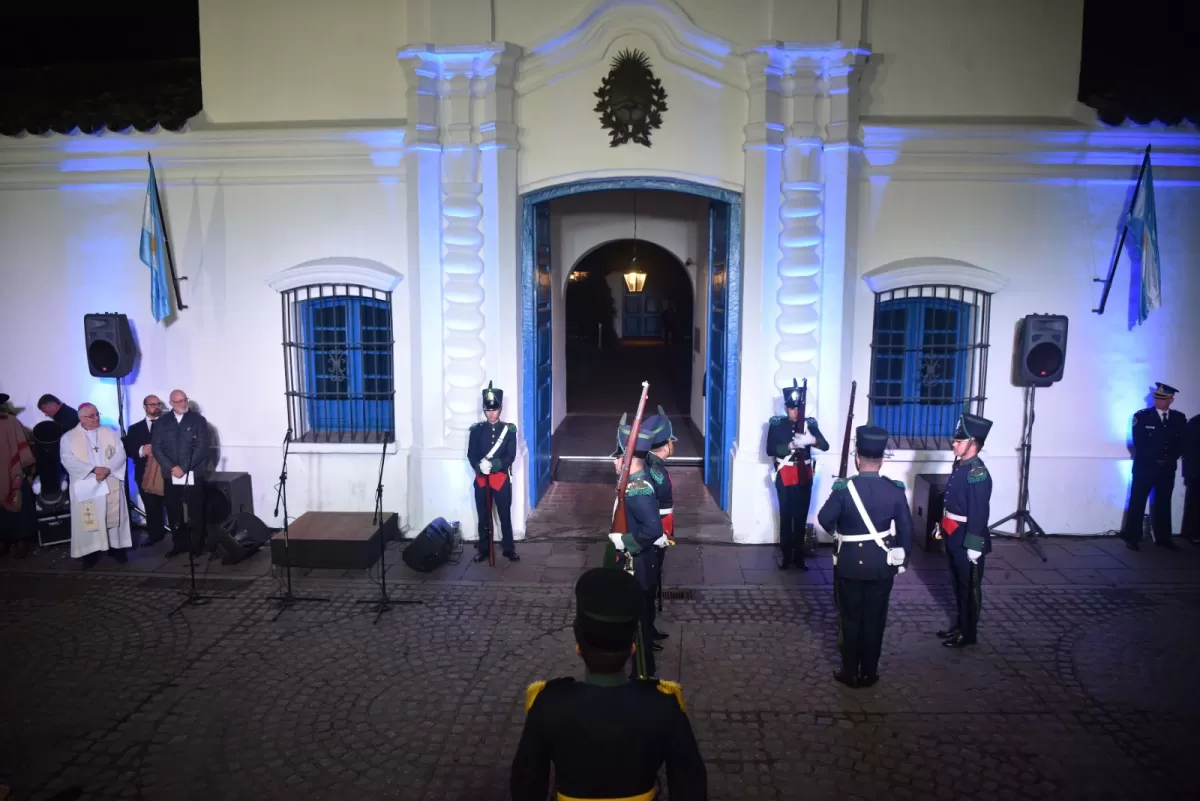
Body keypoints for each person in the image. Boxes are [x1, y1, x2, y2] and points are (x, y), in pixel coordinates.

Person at [510, 567, 707, 801]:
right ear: (633, 647)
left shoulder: (547, 705)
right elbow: (690, 786)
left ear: (578, 648)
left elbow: (526, 785)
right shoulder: (664, 705)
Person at [817, 425, 912, 688]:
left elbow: (824, 519)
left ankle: (849, 671)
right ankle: (869, 672)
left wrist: (843, 534)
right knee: (875, 619)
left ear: (857, 459)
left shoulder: (844, 489)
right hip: (881, 566)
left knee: (849, 619)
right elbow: (906, 529)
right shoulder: (894, 490)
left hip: (849, 565)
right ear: (881, 460)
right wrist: (902, 561)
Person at [608, 414, 669, 680]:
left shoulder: (638, 489)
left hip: (639, 565)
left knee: (639, 624)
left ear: (629, 460)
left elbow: (653, 529)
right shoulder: (631, 484)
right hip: (637, 564)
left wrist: (626, 542)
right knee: (636, 620)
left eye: (618, 456)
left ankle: (642, 674)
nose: (614, 461)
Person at [935, 413, 993, 649]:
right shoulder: (961, 465)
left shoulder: (977, 473)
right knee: (958, 584)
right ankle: (960, 626)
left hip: (967, 537)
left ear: (973, 444)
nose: (954, 443)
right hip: (954, 532)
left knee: (969, 588)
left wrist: (973, 544)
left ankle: (968, 634)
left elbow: (979, 512)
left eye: (959, 441)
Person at [765, 378, 829, 570]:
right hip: (785, 474)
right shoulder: (777, 425)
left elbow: (825, 445)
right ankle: (786, 555)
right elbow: (770, 449)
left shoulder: (810, 424)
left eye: (798, 408)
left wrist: (812, 440)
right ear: (786, 408)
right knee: (786, 516)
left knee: (801, 516)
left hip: (804, 475)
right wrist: (790, 445)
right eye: (792, 408)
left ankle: (799, 556)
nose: (796, 412)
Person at [59, 403, 132, 569]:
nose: (96, 418)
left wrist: (107, 469)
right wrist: (93, 469)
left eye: (97, 414)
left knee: (113, 516)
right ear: (81, 418)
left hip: (109, 479)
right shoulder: (69, 437)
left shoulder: (110, 433)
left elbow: (120, 453)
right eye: (91, 416)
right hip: (88, 483)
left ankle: (116, 548)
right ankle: (90, 553)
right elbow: (67, 459)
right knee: (90, 518)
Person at [1121, 383, 1187, 551]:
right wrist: (1155, 459)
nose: (1158, 401)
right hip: (1146, 467)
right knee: (1138, 501)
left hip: (1167, 467)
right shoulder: (1142, 417)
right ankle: (1132, 537)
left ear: (1171, 400)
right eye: (1156, 398)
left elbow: (1182, 442)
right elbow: (1139, 442)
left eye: (1163, 399)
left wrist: (1172, 458)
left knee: (1164, 502)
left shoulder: (1178, 418)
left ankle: (1164, 538)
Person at [152, 389, 211, 557]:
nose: (183, 404)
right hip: (170, 474)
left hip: (194, 472)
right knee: (173, 510)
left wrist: (184, 467)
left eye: (185, 400)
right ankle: (179, 543)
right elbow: (156, 448)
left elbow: (201, 447)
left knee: (195, 510)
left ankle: (197, 545)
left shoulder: (198, 421)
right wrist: (172, 467)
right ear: (171, 403)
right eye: (179, 401)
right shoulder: (162, 422)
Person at [468, 381, 519, 563]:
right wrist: (478, 466)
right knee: (484, 516)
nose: (491, 413)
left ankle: (508, 548)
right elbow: (471, 454)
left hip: (500, 479)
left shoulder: (509, 430)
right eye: (488, 409)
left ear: (500, 409)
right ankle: (483, 548)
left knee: (504, 515)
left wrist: (495, 464)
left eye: (494, 409)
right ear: (484, 410)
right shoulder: (476, 430)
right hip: (482, 480)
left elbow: (510, 455)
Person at [643, 406, 677, 645]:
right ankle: (644, 632)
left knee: (652, 583)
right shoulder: (657, 471)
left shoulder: (651, 463)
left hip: (657, 531)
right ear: (665, 445)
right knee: (648, 585)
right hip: (655, 534)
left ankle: (649, 627)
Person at [122, 395, 167, 549]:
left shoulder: (169, 424)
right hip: (144, 473)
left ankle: (179, 537)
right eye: (152, 404)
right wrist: (142, 450)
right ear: (145, 407)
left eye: (158, 404)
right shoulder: (134, 429)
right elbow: (129, 449)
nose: (156, 407)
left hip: (167, 472)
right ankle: (155, 534)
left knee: (173, 506)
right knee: (151, 505)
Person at [0, 392, 37, 560]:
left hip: (12, 471)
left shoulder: (10, 422)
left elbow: (22, 446)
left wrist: (25, 470)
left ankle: (22, 542)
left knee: (19, 506)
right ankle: (4, 542)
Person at [1183, 413, 1199, 545]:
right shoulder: (1195, 423)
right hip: (1197, 471)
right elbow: (1190, 449)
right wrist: (1190, 472)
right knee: (1195, 504)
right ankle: (1193, 534)